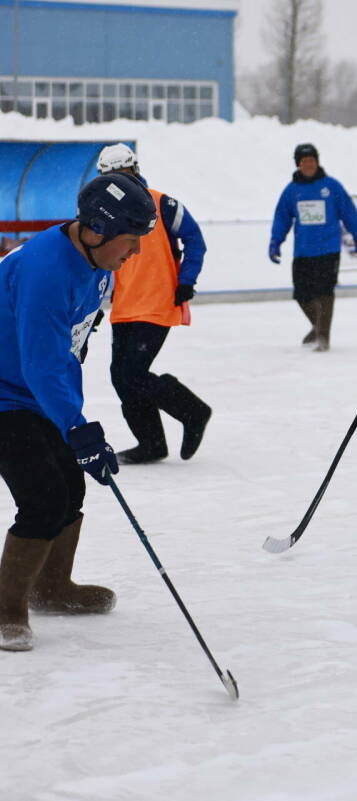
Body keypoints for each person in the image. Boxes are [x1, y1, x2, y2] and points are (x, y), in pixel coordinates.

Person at [0, 173, 157, 651]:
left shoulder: (97, 265)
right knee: (43, 495)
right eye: (130, 242)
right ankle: (5, 609)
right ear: (95, 231)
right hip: (7, 393)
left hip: (31, 390)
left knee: (71, 484)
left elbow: (70, 350)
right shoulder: (46, 271)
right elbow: (42, 362)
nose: (135, 253)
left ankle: (51, 588)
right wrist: (77, 427)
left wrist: (77, 423)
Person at [96, 144, 212, 464]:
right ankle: (151, 443)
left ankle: (193, 412)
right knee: (120, 375)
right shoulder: (103, 211)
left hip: (158, 301)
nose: (118, 182)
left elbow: (195, 240)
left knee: (133, 373)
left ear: (134, 170)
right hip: (124, 305)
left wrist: (186, 280)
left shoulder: (163, 203)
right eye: (111, 177)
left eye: (123, 174)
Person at [269, 143, 357, 352]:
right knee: (302, 295)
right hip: (303, 251)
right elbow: (282, 217)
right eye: (304, 162)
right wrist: (276, 241)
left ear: (317, 162)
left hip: (328, 250)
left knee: (324, 292)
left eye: (312, 160)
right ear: (298, 165)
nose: (308, 164)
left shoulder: (331, 186)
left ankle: (323, 336)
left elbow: (348, 212)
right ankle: (317, 325)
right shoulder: (292, 190)